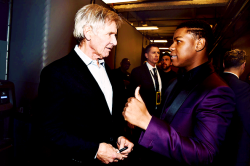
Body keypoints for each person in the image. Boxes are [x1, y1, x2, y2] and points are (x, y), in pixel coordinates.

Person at [123, 20, 235, 166]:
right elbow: (166, 124)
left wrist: (146, 122)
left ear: (199, 44)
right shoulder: (174, 82)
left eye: (178, 41)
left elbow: (205, 154)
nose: (171, 47)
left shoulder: (217, 91)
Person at [35, 4, 133, 165]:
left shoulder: (110, 72)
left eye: (115, 35)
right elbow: (49, 131)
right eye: (110, 34)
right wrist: (95, 150)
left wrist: (119, 137)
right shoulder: (57, 72)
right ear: (88, 32)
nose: (115, 42)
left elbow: (107, 119)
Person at [220, 49, 250, 166]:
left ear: (223, 64)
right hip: (235, 146)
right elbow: (247, 118)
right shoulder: (242, 87)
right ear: (243, 65)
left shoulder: (211, 82)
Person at [129, 44, 162, 117]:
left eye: (158, 53)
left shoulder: (161, 72)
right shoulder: (138, 71)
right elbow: (132, 93)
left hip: (159, 112)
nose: (156, 55)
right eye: (153, 53)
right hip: (143, 112)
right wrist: (132, 114)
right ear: (146, 55)